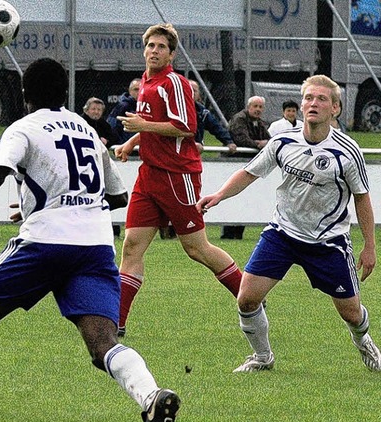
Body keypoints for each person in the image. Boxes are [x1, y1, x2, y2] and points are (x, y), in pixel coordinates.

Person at [0, 57, 181, 422]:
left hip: (45, 242)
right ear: (65, 94)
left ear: (25, 95)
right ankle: (151, 397)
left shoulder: (24, 127)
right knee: (103, 343)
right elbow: (117, 197)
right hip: (94, 247)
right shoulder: (89, 132)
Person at [197, 74, 380, 373]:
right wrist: (219, 195)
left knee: (350, 312)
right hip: (282, 234)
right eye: (308, 98)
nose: (313, 103)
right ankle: (262, 357)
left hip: (327, 242)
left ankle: (365, 344)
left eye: (322, 99)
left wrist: (369, 246)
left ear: (335, 108)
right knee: (246, 298)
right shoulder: (282, 141)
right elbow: (249, 172)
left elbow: (362, 198)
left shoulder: (348, 151)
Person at [113, 23, 243, 338]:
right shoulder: (145, 81)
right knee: (131, 247)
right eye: (151, 46)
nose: (154, 51)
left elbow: (185, 127)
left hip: (177, 175)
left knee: (197, 249)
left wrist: (144, 124)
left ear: (171, 54)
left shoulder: (175, 83)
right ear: (144, 50)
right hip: (149, 175)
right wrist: (132, 143)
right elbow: (151, 125)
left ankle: (250, 296)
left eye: (161, 47)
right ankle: (116, 321)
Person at [224, 96, 271, 240]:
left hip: (247, 167)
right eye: (255, 106)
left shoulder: (260, 123)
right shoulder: (239, 119)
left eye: (260, 107)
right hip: (234, 164)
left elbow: (269, 140)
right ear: (248, 107)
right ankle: (229, 233)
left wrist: (265, 143)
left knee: (244, 199)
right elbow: (240, 139)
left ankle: (237, 233)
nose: (258, 110)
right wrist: (258, 144)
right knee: (233, 199)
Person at [189, 80, 237, 155]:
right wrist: (192, 144)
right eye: (189, 90)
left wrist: (229, 142)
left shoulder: (203, 112)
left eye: (194, 91)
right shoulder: (174, 110)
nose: (191, 93)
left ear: (199, 95)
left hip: (194, 153)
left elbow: (216, 127)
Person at [107, 78, 141, 146]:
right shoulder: (123, 106)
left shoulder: (150, 106)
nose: (139, 92)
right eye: (136, 89)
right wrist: (122, 144)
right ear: (130, 91)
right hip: (127, 148)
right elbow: (111, 126)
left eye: (141, 89)